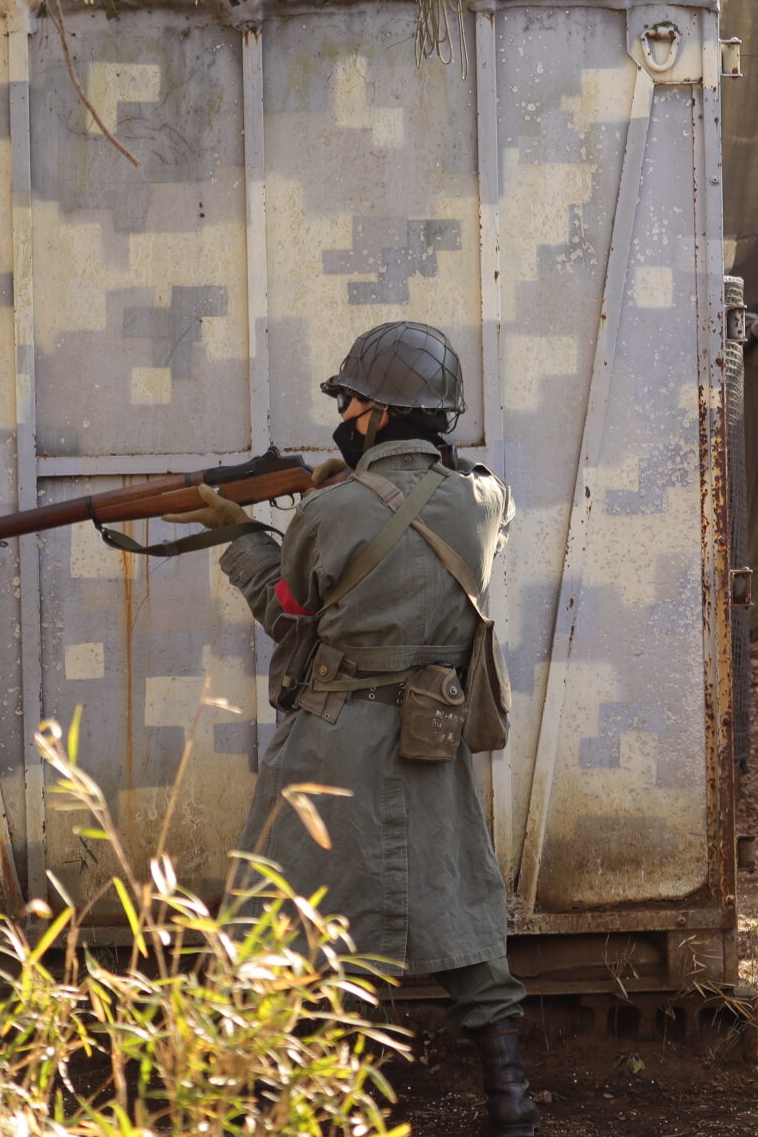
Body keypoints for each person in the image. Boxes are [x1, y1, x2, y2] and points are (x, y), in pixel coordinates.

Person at [164, 320, 538, 1137]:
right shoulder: (485, 500)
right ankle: (511, 1103)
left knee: (283, 913)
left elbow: (289, 611)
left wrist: (240, 532)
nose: (343, 414)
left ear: (377, 412)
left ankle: (279, 1101)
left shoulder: (328, 511)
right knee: (459, 906)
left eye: (351, 402)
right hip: (430, 737)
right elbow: (474, 511)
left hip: (331, 741)